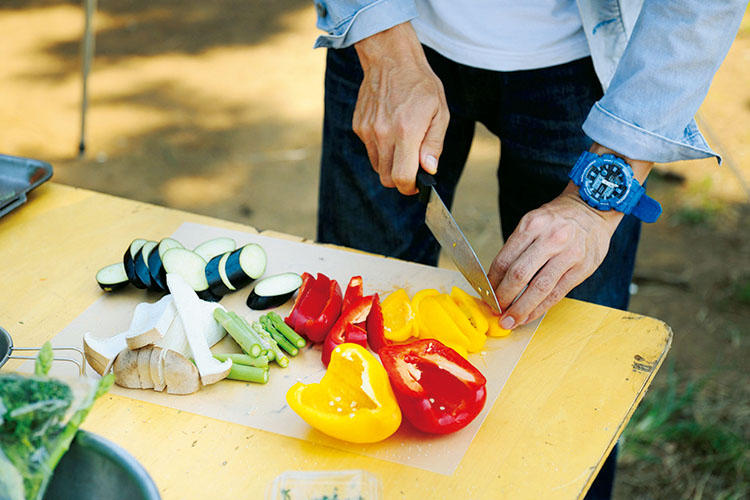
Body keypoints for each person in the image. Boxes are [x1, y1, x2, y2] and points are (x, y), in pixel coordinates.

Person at [310, 1, 746, 498]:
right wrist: (385, 50)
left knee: (570, 390)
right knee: (348, 341)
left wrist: (596, 202)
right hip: (387, 27)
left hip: (592, 70)